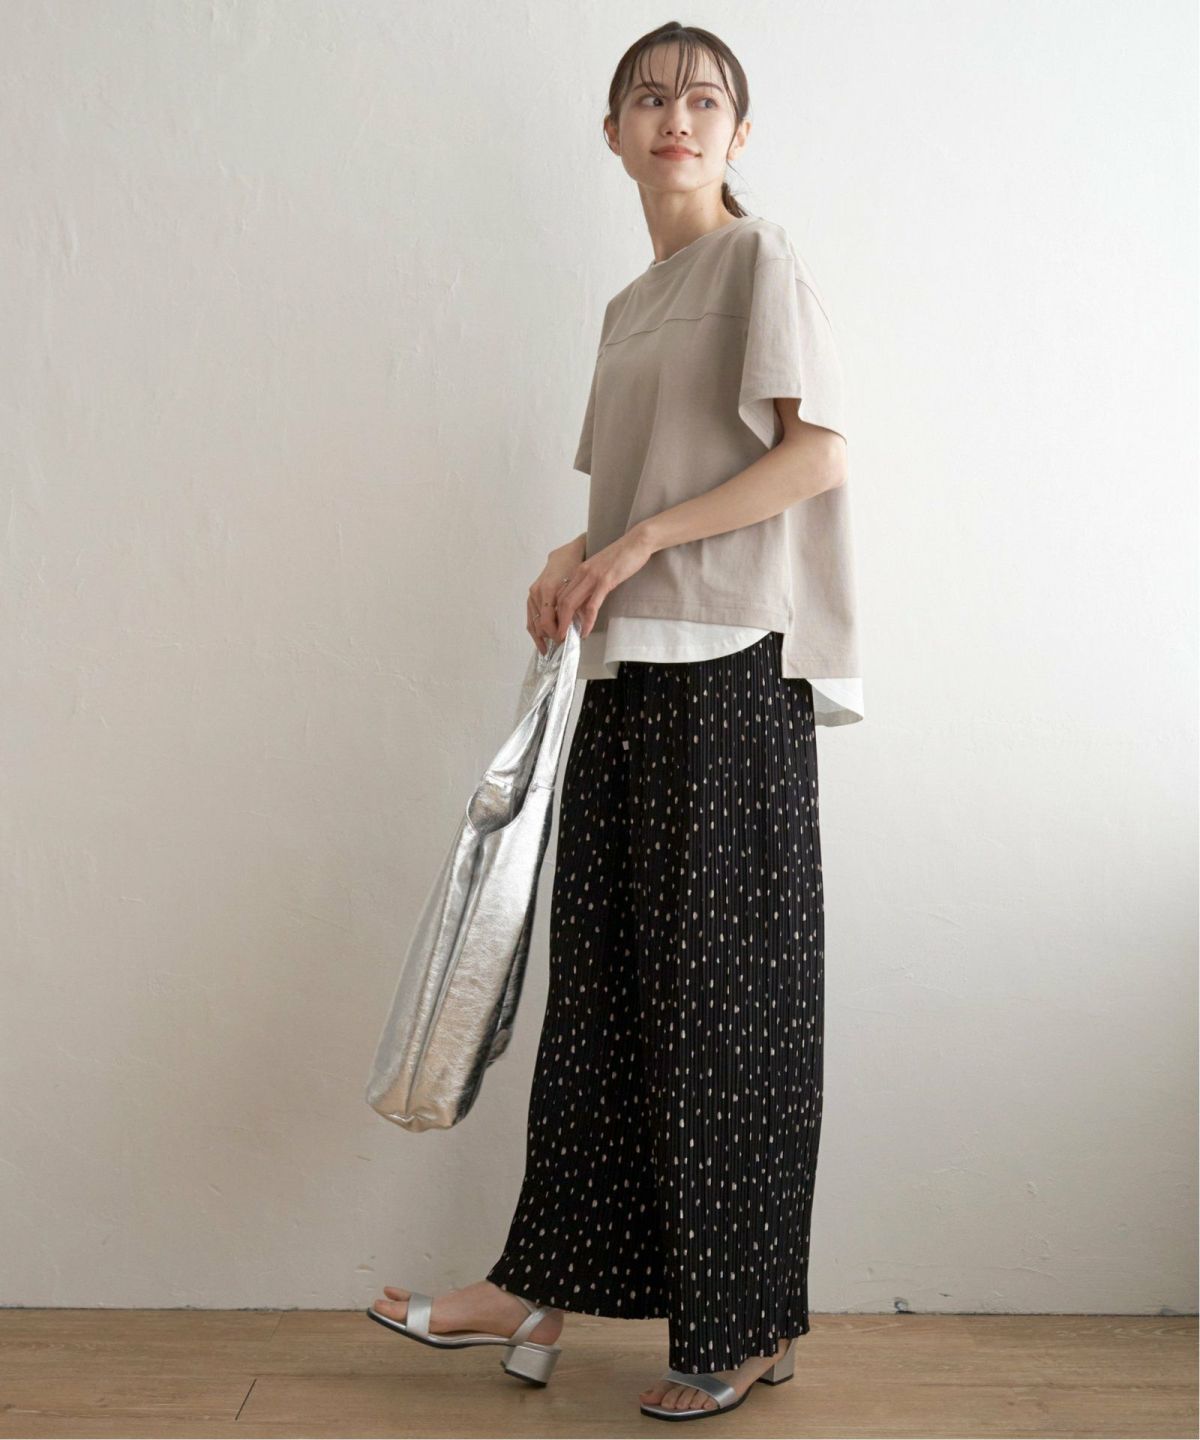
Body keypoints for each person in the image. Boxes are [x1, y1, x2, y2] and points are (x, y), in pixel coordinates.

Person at [367, 19, 863, 1422]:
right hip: (625, 670)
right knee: (598, 1001)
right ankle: (537, 1285)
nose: (675, 117)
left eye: (704, 99)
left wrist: (634, 543)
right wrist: (572, 551)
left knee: (727, 1006)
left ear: (739, 134)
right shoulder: (631, 305)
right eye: (649, 98)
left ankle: (746, 1325)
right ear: (613, 133)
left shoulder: (760, 259)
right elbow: (639, 492)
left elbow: (817, 455)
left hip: (732, 662)